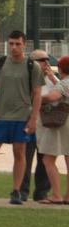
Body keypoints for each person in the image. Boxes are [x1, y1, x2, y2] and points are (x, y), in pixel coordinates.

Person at [0, 30, 42, 205]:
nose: (14, 47)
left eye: (17, 43)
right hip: (0, 116)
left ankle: (16, 190)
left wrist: (33, 118)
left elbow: (37, 94)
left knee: (19, 153)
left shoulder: (33, 66)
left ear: (24, 44)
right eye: (11, 43)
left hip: (22, 116)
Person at [20, 48, 56, 202]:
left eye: (47, 60)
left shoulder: (51, 79)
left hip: (47, 125)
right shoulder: (26, 78)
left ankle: (42, 192)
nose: (45, 63)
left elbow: (63, 93)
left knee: (45, 160)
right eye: (41, 60)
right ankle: (22, 190)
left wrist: (52, 77)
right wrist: (45, 99)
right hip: (29, 122)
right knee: (24, 158)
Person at [35, 54, 69, 204]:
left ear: (60, 68)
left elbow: (53, 96)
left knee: (48, 159)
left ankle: (56, 194)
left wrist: (36, 99)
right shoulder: (64, 82)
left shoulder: (64, 83)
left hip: (60, 122)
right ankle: (68, 196)